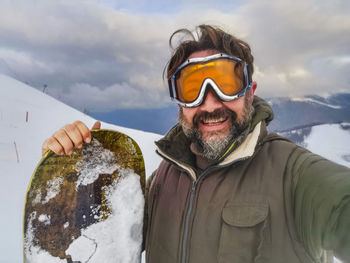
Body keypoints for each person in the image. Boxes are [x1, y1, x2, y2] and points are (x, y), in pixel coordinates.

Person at [42, 25, 350, 263]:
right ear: (179, 104)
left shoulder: (294, 175)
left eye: (226, 83)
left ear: (250, 91)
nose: (209, 102)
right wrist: (69, 174)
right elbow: (110, 239)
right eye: (191, 88)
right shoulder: (165, 176)